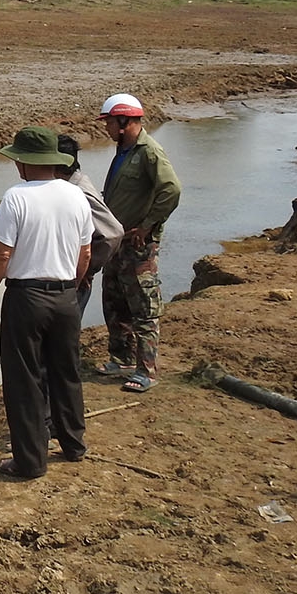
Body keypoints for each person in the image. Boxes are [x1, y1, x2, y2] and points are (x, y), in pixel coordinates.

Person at [0, 126, 93, 480]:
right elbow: (85, 251)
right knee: (66, 371)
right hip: (64, 295)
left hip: (26, 297)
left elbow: (2, 254)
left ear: (23, 163)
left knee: (24, 379)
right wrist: (69, 286)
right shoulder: (76, 195)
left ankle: (29, 462)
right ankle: (74, 445)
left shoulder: (16, 197)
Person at [97, 94, 182, 394]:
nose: (105, 128)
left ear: (124, 122)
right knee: (115, 302)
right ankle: (120, 358)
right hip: (117, 243)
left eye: (108, 122)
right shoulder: (124, 150)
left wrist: (147, 226)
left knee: (144, 308)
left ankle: (146, 370)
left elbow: (171, 190)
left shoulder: (149, 152)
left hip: (138, 245)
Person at [55, 133, 124, 312]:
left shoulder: (79, 192)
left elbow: (112, 233)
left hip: (75, 281)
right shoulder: (70, 185)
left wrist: (87, 269)